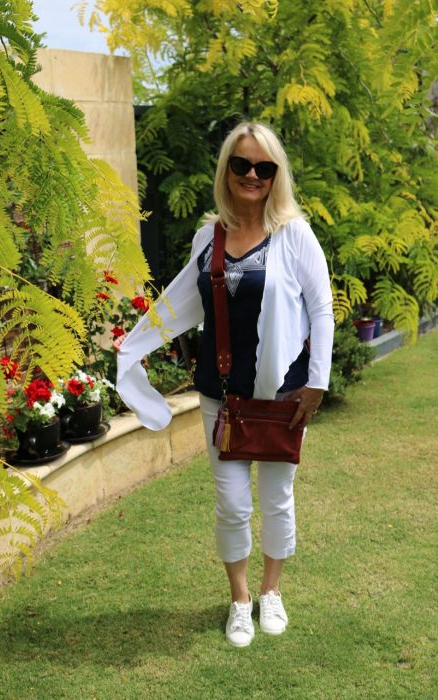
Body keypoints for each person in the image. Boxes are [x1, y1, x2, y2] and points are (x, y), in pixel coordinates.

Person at [115, 122, 334, 647]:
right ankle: (240, 600)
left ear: (275, 174)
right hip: (223, 398)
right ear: (227, 171)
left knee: (278, 498)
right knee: (232, 503)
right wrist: (137, 342)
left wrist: (317, 383)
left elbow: (321, 308)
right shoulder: (207, 236)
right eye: (242, 165)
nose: (252, 175)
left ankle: (272, 593)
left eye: (264, 167)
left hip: (284, 397)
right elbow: (183, 302)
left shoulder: (294, 233)